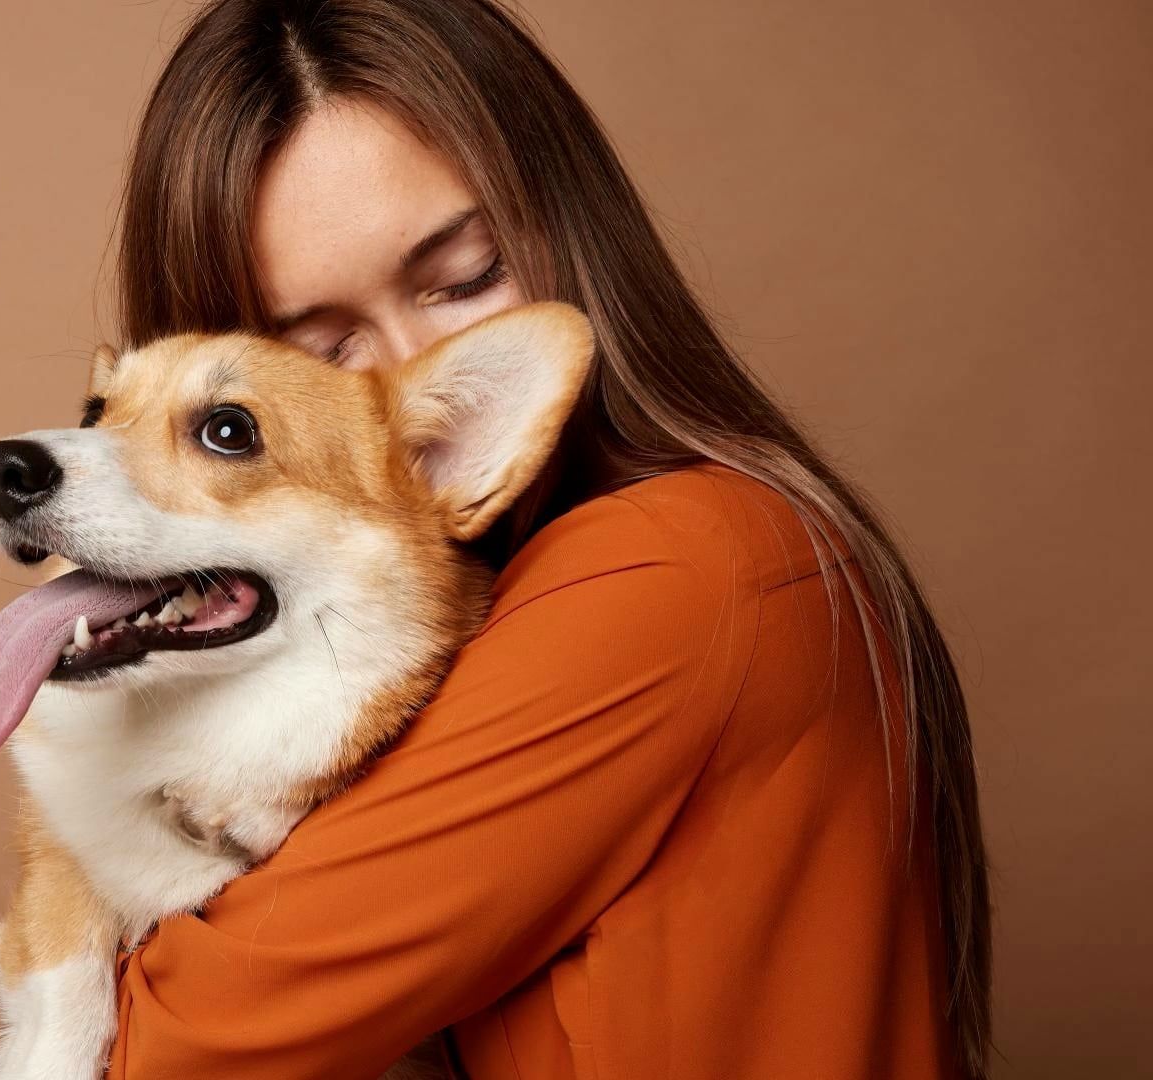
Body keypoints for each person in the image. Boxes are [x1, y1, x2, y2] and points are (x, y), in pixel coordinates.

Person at [97, 2, 991, 1078]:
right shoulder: (557, 592)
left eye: (469, 278)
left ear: (569, 229)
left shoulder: (672, 568)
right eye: (323, 357)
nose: (421, 380)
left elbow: (158, 1053)